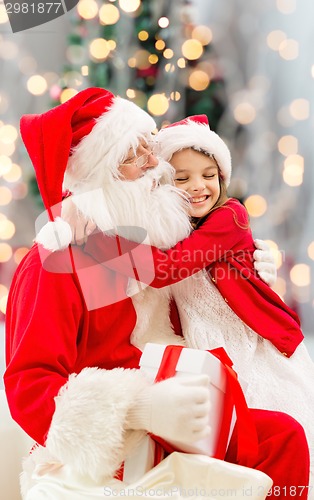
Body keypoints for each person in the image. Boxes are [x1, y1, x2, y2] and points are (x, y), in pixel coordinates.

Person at [4, 88, 309, 499]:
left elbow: (201, 251)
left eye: (150, 146)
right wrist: (139, 409)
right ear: (101, 173)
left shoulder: (143, 240)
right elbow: (30, 384)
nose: (156, 165)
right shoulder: (56, 263)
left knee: (283, 437)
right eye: (134, 155)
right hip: (116, 442)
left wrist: (250, 264)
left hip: (182, 408)